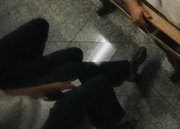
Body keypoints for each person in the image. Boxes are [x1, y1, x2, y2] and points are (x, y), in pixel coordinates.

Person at [0, 18, 146, 129]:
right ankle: (115, 121)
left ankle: (127, 72)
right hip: (40, 122)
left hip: (23, 98)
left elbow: (6, 95)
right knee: (91, 80)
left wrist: (45, 88)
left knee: (73, 57)